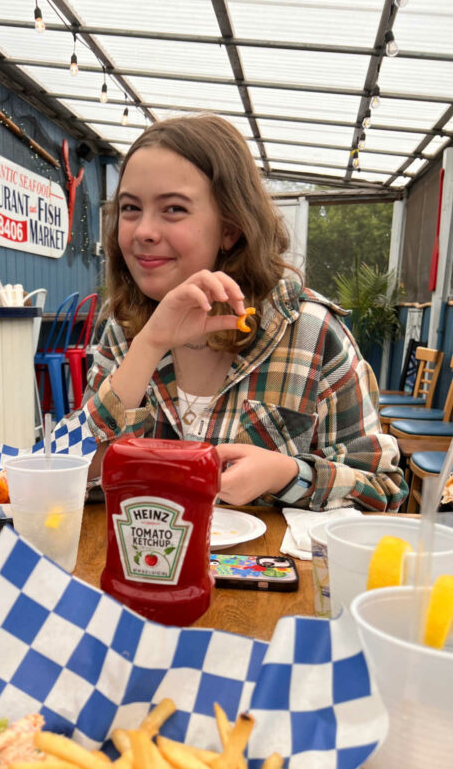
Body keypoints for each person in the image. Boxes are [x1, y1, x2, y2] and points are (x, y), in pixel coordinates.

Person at [79, 114, 407, 511]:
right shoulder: (123, 330)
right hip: (141, 568)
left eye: (174, 209)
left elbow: (385, 493)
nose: (144, 230)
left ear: (231, 228)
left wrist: (289, 474)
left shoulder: (310, 332)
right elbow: (75, 473)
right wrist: (149, 344)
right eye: (130, 208)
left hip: (262, 572)